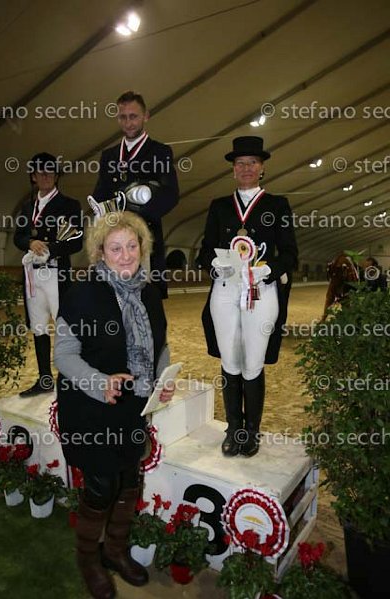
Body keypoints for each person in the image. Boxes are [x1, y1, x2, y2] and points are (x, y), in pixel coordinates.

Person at [54, 211, 173, 599]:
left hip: (131, 406)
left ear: (143, 247)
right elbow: (64, 356)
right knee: (102, 485)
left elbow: (160, 344)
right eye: (116, 248)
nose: (126, 255)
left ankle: (115, 551)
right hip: (90, 407)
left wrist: (163, 378)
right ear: (100, 252)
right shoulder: (83, 293)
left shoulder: (150, 291)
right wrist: (99, 383)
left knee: (129, 479)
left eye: (132, 246)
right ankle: (88, 558)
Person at [198, 136, 298, 458]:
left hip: (261, 290)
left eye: (252, 163)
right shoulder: (219, 206)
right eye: (240, 163)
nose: (246, 168)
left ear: (262, 168)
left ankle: (251, 430)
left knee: (253, 362)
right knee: (230, 360)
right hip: (226, 290)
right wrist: (215, 266)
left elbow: (290, 253)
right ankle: (234, 429)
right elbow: (204, 252)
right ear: (233, 169)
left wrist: (268, 270)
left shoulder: (277, 205)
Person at [92, 90, 179, 298]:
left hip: (145, 238)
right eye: (123, 117)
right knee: (114, 301)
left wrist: (136, 217)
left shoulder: (160, 152)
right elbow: (100, 195)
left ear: (145, 116)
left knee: (149, 301)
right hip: (114, 240)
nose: (128, 123)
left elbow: (170, 194)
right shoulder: (109, 156)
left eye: (133, 116)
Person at [14, 152, 83, 397]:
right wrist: (30, 242)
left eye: (50, 172)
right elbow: (18, 237)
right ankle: (45, 379)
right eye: (41, 172)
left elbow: (76, 241)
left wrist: (50, 249)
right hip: (33, 277)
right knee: (39, 327)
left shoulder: (70, 205)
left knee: (65, 327)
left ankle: (72, 378)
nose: (46, 176)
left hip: (56, 273)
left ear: (56, 175)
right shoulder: (27, 207)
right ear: (33, 176)